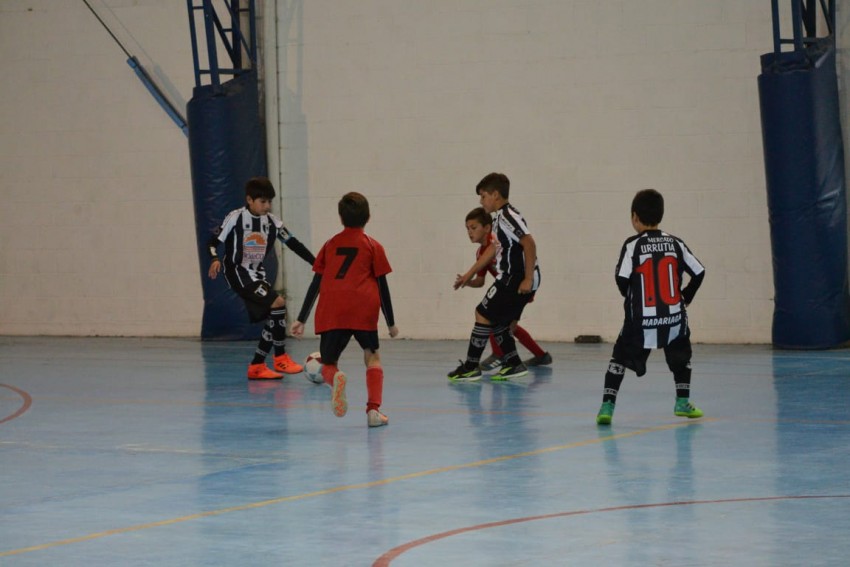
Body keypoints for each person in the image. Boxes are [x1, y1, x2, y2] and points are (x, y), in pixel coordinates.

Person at [595, 188, 705, 425]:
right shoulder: (675, 243)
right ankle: (682, 401)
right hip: (674, 318)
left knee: (619, 358)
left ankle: (607, 406)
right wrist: (685, 296)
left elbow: (621, 278)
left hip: (640, 321)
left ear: (635, 217)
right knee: (681, 353)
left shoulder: (632, 245)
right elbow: (699, 271)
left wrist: (634, 297)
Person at [290, 192, 398, 427]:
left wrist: (301, 318)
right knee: (372, 357)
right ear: (368, 217)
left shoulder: (329, 245)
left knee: (328, 363)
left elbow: (316, 283)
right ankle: (373, 411)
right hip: (363, 307)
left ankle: (335, 377)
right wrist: (390, 321)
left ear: (341, 218)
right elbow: (382, 285)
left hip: (332, 308)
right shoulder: (373, 245)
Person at [207, 176, 315, 380]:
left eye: (269, 202)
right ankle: (280, 357)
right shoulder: (235, 218)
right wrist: (214, 258)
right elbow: (212, 242)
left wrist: (316, 262)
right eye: (262, 202)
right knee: (278, 302)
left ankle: (257, 365)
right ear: (250, 200)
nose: (267, 206)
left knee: (274, 317)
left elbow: (293, 243)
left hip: (258, 275)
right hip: (238, 273)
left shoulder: (272, 223)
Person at [449, 172, 541, 381]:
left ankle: (471, 366)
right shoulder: (499, 219)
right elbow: (492, 250)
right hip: (511, 276)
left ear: (496, 195)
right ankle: (513, 363)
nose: (481, 201)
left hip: (515, 277)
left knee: (482, 312)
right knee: (499, 320)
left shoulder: (508, 216)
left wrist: (527, 278)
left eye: (483, 196)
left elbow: (529, 243)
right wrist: (468, 275)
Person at [462, 207, 552, 371]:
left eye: (473, 228)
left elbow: (527, 245)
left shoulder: (499, 238)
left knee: (491, 317)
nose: (469, 232)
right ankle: (537, 356)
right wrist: (467, 280)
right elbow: (480, 281)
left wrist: (528, 279)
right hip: (506, 286)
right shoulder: (480, 253)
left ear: (487, 228)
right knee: (505, 324)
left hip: (517, 285)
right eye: (467, 228)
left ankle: (501, 356)